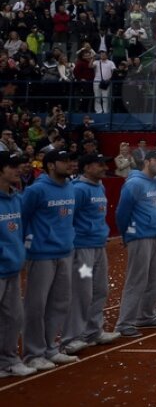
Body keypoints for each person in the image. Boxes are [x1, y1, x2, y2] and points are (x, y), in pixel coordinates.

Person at [21, 149, 79, 369]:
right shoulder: (36, 190)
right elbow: (23, 217)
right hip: (41, 254)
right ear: (51, 165)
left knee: (59, 303)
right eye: (64, 161)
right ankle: (33, 353)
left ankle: (50, 348)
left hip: (65, 252)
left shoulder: (70, 188)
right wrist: (26, 247)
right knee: (36, 305)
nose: (70, 164)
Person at [61, 154, 120, 354]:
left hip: (98, 247)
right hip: (83, 249)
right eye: (99, 164)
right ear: (86, 168)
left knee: (100, 289)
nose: (104, 168)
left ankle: (93, 331)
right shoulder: (79, 190)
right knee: (82, 292)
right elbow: (68, 218)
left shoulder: (99, 186)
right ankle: (71, 338)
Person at [113, 149, 156, 338]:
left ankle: (145, 315)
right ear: (147, 161)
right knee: (136, 280)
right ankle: (124, 323)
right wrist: (126, 234)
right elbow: (122, 212)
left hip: (155, 235)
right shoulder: (134, 183)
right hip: (139, 236)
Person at [0, 154, 33, 376]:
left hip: (12, 267)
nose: (17, 170)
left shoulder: (16, 198)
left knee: (14, 317)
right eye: (11, 167)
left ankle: (8, 359)